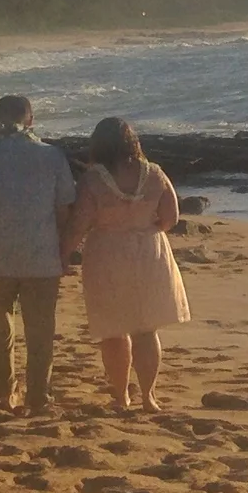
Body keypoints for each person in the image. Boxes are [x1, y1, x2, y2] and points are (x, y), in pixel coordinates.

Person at [0, 94, 77, 416]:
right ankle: (38, 397)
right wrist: (65, 252)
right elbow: (64, 210)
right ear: (31, 120)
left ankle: (3, 393)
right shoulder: (51, 156)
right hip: (41, 255)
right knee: (40, 329)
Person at [66, 116, 191, 413]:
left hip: (107, 252)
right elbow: (171, 217)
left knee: (112, 329)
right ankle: (149, 396)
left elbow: (78, 225)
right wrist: (145, 226)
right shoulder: (155, 173)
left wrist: (62, 254)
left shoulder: (93, 180)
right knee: (146, 329)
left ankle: (121, 395)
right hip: (149, 250)